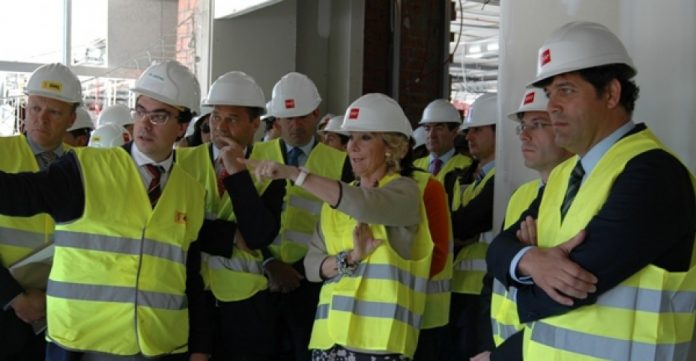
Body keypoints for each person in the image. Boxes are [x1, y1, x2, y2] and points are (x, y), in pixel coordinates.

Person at [486, 21, 696, 360]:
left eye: (566, 90)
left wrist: (519, 266)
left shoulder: (655, 174)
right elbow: (496, 252)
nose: (552, 105)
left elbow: (577, 285)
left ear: (611, 94)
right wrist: (529, 259)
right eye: (549, 92)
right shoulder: (562, 175)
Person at [0, 60, 211, 361]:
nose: (144, 124)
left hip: (161, 347)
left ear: (182, 126)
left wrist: (200, 348)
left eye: (159, 116)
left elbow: (189, 274)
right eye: (140, 111)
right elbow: (19, 194)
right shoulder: (85, 169)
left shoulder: (191, 192)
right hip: (83, 345)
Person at [247, 93, 433, 360]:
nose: (352, 148)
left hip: (380, 347)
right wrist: (351, 258)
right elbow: (312, 267)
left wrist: (294, 174)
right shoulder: (337, 200)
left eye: (365, 138)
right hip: (330, 342)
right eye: (350, 138)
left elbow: (365, 205)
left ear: (391, 146)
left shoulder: (405, 192)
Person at [176, 71, 284, 361]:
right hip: (188, 295)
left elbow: (259, 235)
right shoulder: (182, 162)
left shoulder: (270, 171)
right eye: (215, 117)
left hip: (246, 305)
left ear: (255, 124)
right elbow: (173, 225)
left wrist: (237, 171)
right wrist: (228, 235)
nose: (220, 127)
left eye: (232, 119)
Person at [250, 72, 353, 360]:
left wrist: (305, 269)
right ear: (277, 119)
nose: (294, 125)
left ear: (316, 115)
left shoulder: (340, 162)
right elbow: (242, 215)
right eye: (287, 118)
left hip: (312, 280)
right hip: (262, 275)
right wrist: (269, 262)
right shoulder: (257, 154)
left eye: (302, 117)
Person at [472, 87, 571, 361]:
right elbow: (492, 280)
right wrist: (487, 347)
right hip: (500, 346)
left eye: (538, 125)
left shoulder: (582, 196)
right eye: (523, 127)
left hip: (542, 350)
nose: (524, 136)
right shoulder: (523, 196)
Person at [0, 62, 82, 361]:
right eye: (35, 108)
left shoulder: (87, 166)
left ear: (72, 117)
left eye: (54, 112)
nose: (41, 119)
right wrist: (14, 297)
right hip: (7, 306)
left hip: (64, 307)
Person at [448, 93, 498, 360]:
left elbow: (466, 222)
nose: (469, 136)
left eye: (477, 130)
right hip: (456, 286)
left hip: (480, 291)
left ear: (498, 130)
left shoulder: (503, 178)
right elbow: (451, 226)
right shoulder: (465, 176)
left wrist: (460, 228)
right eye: (468, 131)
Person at [414, 99, 473, 210]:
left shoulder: (468, 167)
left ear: (454, 132)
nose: (431, 135)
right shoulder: (414, 166)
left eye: (439, 128)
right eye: (427, 128)